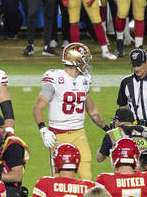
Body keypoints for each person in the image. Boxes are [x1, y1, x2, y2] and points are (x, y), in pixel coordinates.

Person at [34, 43, 111, 180]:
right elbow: (38, 107)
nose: (86, 63)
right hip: (58, 135)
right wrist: (43, 129)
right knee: (60, 180)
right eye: (84, 59)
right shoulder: (55, 78)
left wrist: (108, 130)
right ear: (77, 60)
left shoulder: (84, 80)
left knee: (87, 177)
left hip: (79, 133)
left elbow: (92, 111)